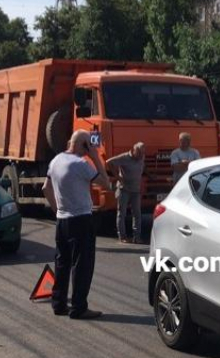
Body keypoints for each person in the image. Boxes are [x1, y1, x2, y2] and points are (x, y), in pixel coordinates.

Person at [42, 129, 110, 320]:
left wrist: (57, 211)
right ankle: (79, 307)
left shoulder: (56, 161)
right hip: (81, 219)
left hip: (62, 220)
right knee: (82, 265)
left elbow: (46, 188)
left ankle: (59, 304)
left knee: (62, 262)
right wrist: (95, 157)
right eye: (89, 145)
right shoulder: (81, 164)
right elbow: (106, 183)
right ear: (85, 145)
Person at [106, 142, 146, 243]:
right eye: (140, 153)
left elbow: (142, 167)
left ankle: (137, 237)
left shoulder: (141, 158)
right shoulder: (124, 157)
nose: (141, 156)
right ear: (134, 150)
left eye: (143, 153)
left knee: (137, 214)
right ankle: (122, 236)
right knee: (122, 213)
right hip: (124, 189)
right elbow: (108, 162)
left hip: (136, 190)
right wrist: (118, 177)